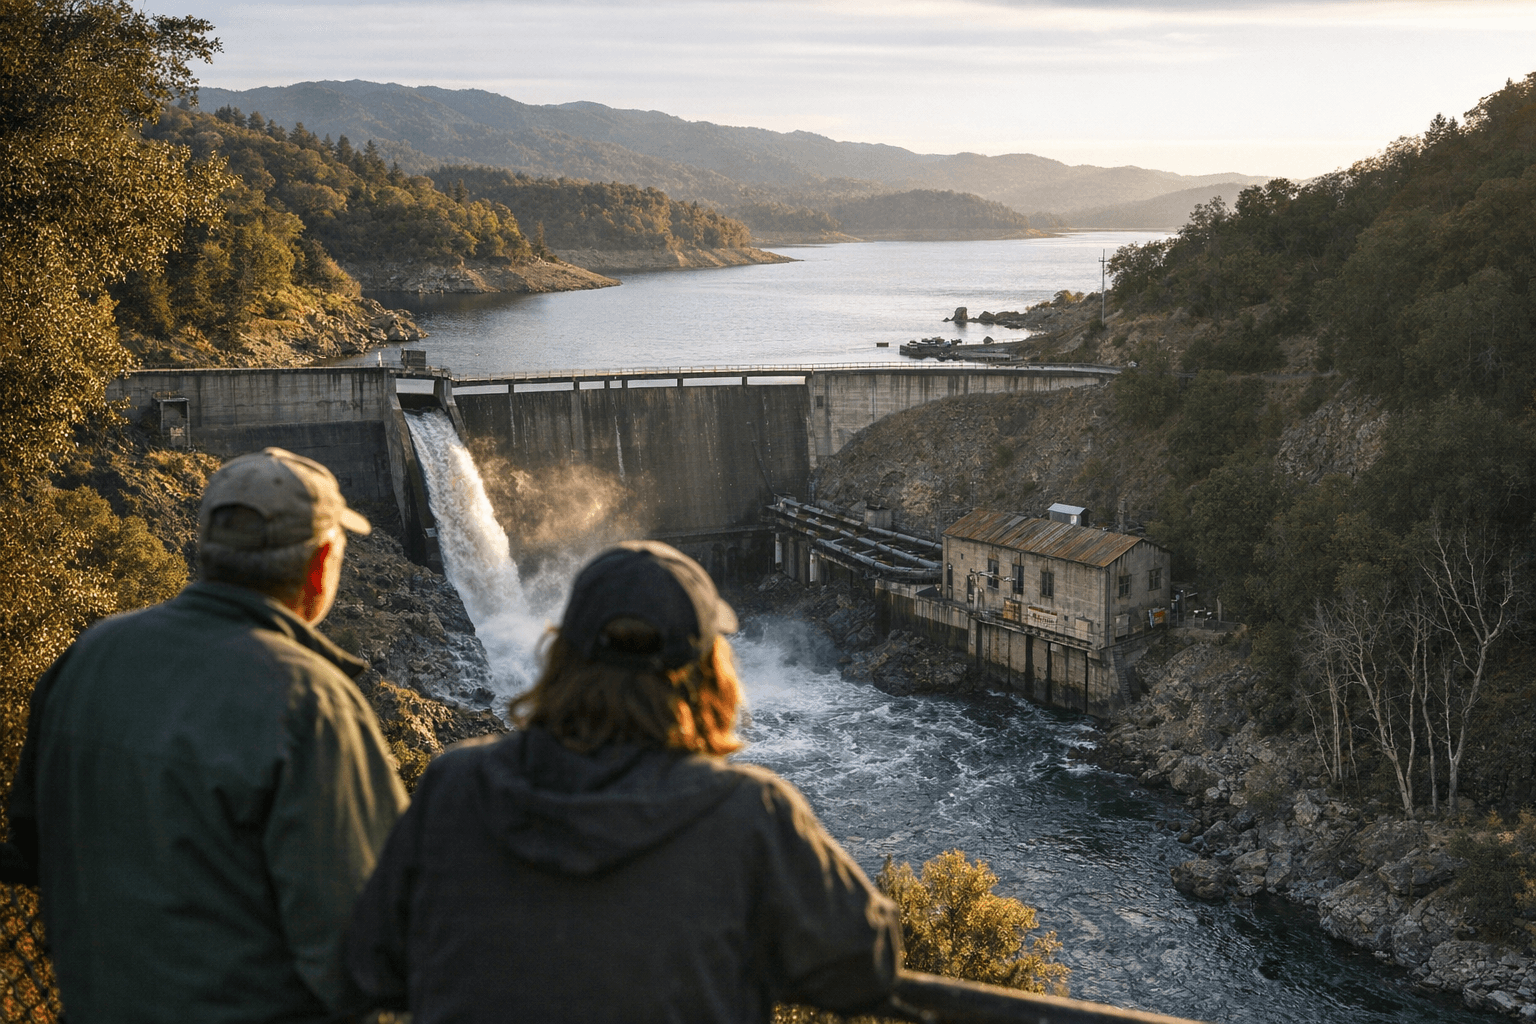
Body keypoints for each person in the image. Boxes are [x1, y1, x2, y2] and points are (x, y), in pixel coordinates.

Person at [346, 540, 901, 1023]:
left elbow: (374, 964)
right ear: (711, 671)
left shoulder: (454, 784)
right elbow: (863, 966)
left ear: (564, 656)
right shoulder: (748, 812)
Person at [5, 447, 408, 1023]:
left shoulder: (89, 656)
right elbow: (365, 939)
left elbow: (33, 834)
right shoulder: (309, 702)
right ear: (320, 565)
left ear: (206, 552)